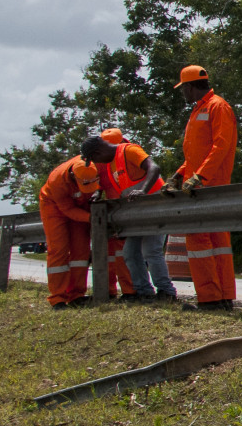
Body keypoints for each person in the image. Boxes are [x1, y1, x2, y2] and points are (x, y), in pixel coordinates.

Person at [164, 65, 239, 311]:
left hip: (208, 186)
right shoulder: (200, 110)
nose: (182, 93)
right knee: (216, 244)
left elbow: (221, 146)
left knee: (200, 242)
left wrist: (200, 176)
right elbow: (197, 155)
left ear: (189, 86)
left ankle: (211, 299)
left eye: (182, 89)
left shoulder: (217, 107)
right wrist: (179, 174)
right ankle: (221, 298)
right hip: (201, 185)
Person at [88, 131, 173, 302]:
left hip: (155, 206)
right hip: (137, 213)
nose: (98, 164)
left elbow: (154, 168)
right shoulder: (111, 164)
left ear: (99, 152)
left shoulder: (129, 150)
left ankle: (166, 292)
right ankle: (144, 292)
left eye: (95, 159)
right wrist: (98, 192)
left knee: (151, 250)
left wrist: (143, 191)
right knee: (130, 252)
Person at [38, 153, 101, 308]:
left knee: (81, 251)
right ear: (73, 176)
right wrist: (91, 218)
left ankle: (76, 295)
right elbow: (68, 210)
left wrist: (97, 193)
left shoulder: (92, 167)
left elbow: (99, 187)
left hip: (80, 206)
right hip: (54, 207)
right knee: (58, 249)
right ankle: (58, 298)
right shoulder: (57, 180)